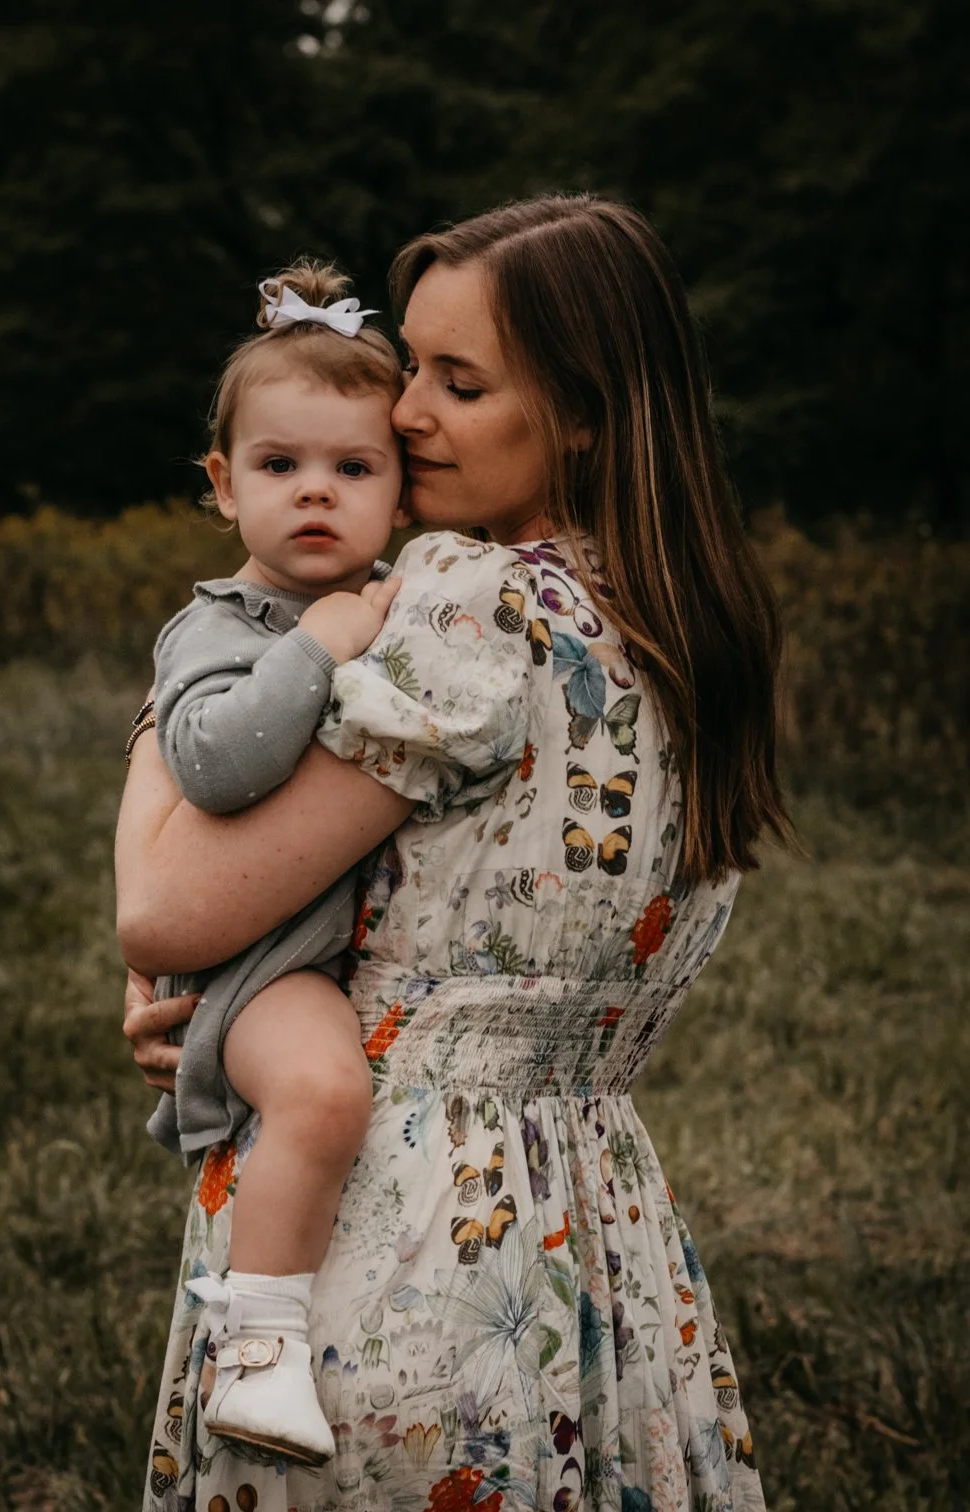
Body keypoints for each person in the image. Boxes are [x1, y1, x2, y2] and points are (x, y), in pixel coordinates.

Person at [117, 193, 792, 1512]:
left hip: (408, 1239)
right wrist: (244, 1000)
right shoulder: (691, 629)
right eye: (412, 363)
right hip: (600, 1240)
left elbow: (165, 907)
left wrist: (177, 685)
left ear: (585, 413)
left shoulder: (468, 609)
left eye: (460, 382)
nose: (404, 410)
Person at [134, 260, 409, 1463]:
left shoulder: (388, 598)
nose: (316, 494)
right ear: (221, 483)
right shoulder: (222, 625)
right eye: (279, 466)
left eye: (353, 470)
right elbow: (213, 763)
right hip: (263, 964)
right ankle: (256, 1347)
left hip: (321, 947)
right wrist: (324, 642)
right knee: (323, 1091)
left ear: (401, 488)